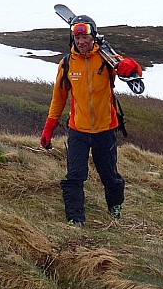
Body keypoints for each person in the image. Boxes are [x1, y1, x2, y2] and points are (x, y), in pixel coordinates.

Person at [39, 15, 141, 227]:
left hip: (106, 130)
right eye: (76, 37)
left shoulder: (106, 58)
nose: (80, 41)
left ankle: (115, 207)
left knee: (109, 176)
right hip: (78, 130)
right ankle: (75, 219)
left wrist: (130, 66)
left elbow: (133, 72)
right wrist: (49, 128)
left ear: (93, 36)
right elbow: (58, 99)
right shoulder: (67, 64)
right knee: (74, 176)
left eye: (84, 36)